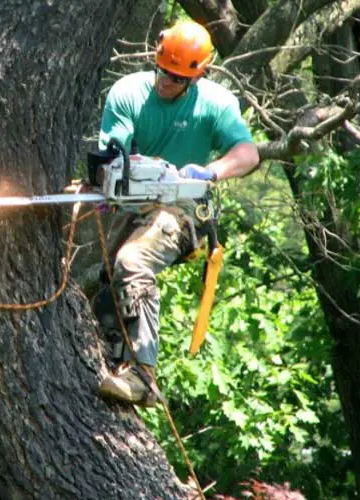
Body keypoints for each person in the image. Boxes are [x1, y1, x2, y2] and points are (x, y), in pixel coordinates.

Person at [96, 20, 259, 407]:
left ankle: (143, 375)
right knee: (91, 273)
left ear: (195, 76)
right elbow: (112, 152)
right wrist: (116, 176)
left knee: (133, 260)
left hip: (181, 210)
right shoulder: (128, 93)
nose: (166, 82)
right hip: (129, 202)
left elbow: (248, 153)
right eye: (163, 73)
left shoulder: (215, 103)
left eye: (177, 78)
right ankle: (108, 352)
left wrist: (210, 171)